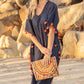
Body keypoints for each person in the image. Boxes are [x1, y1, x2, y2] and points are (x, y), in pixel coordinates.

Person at [24, 0, 61, 84]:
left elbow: (51, 30)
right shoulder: (31, 8)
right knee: (36, 80)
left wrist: (48, 53)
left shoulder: (52, 7)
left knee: (45, 80)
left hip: (51, 47)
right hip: (37, 50)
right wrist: (41, 48)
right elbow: (30, 33)